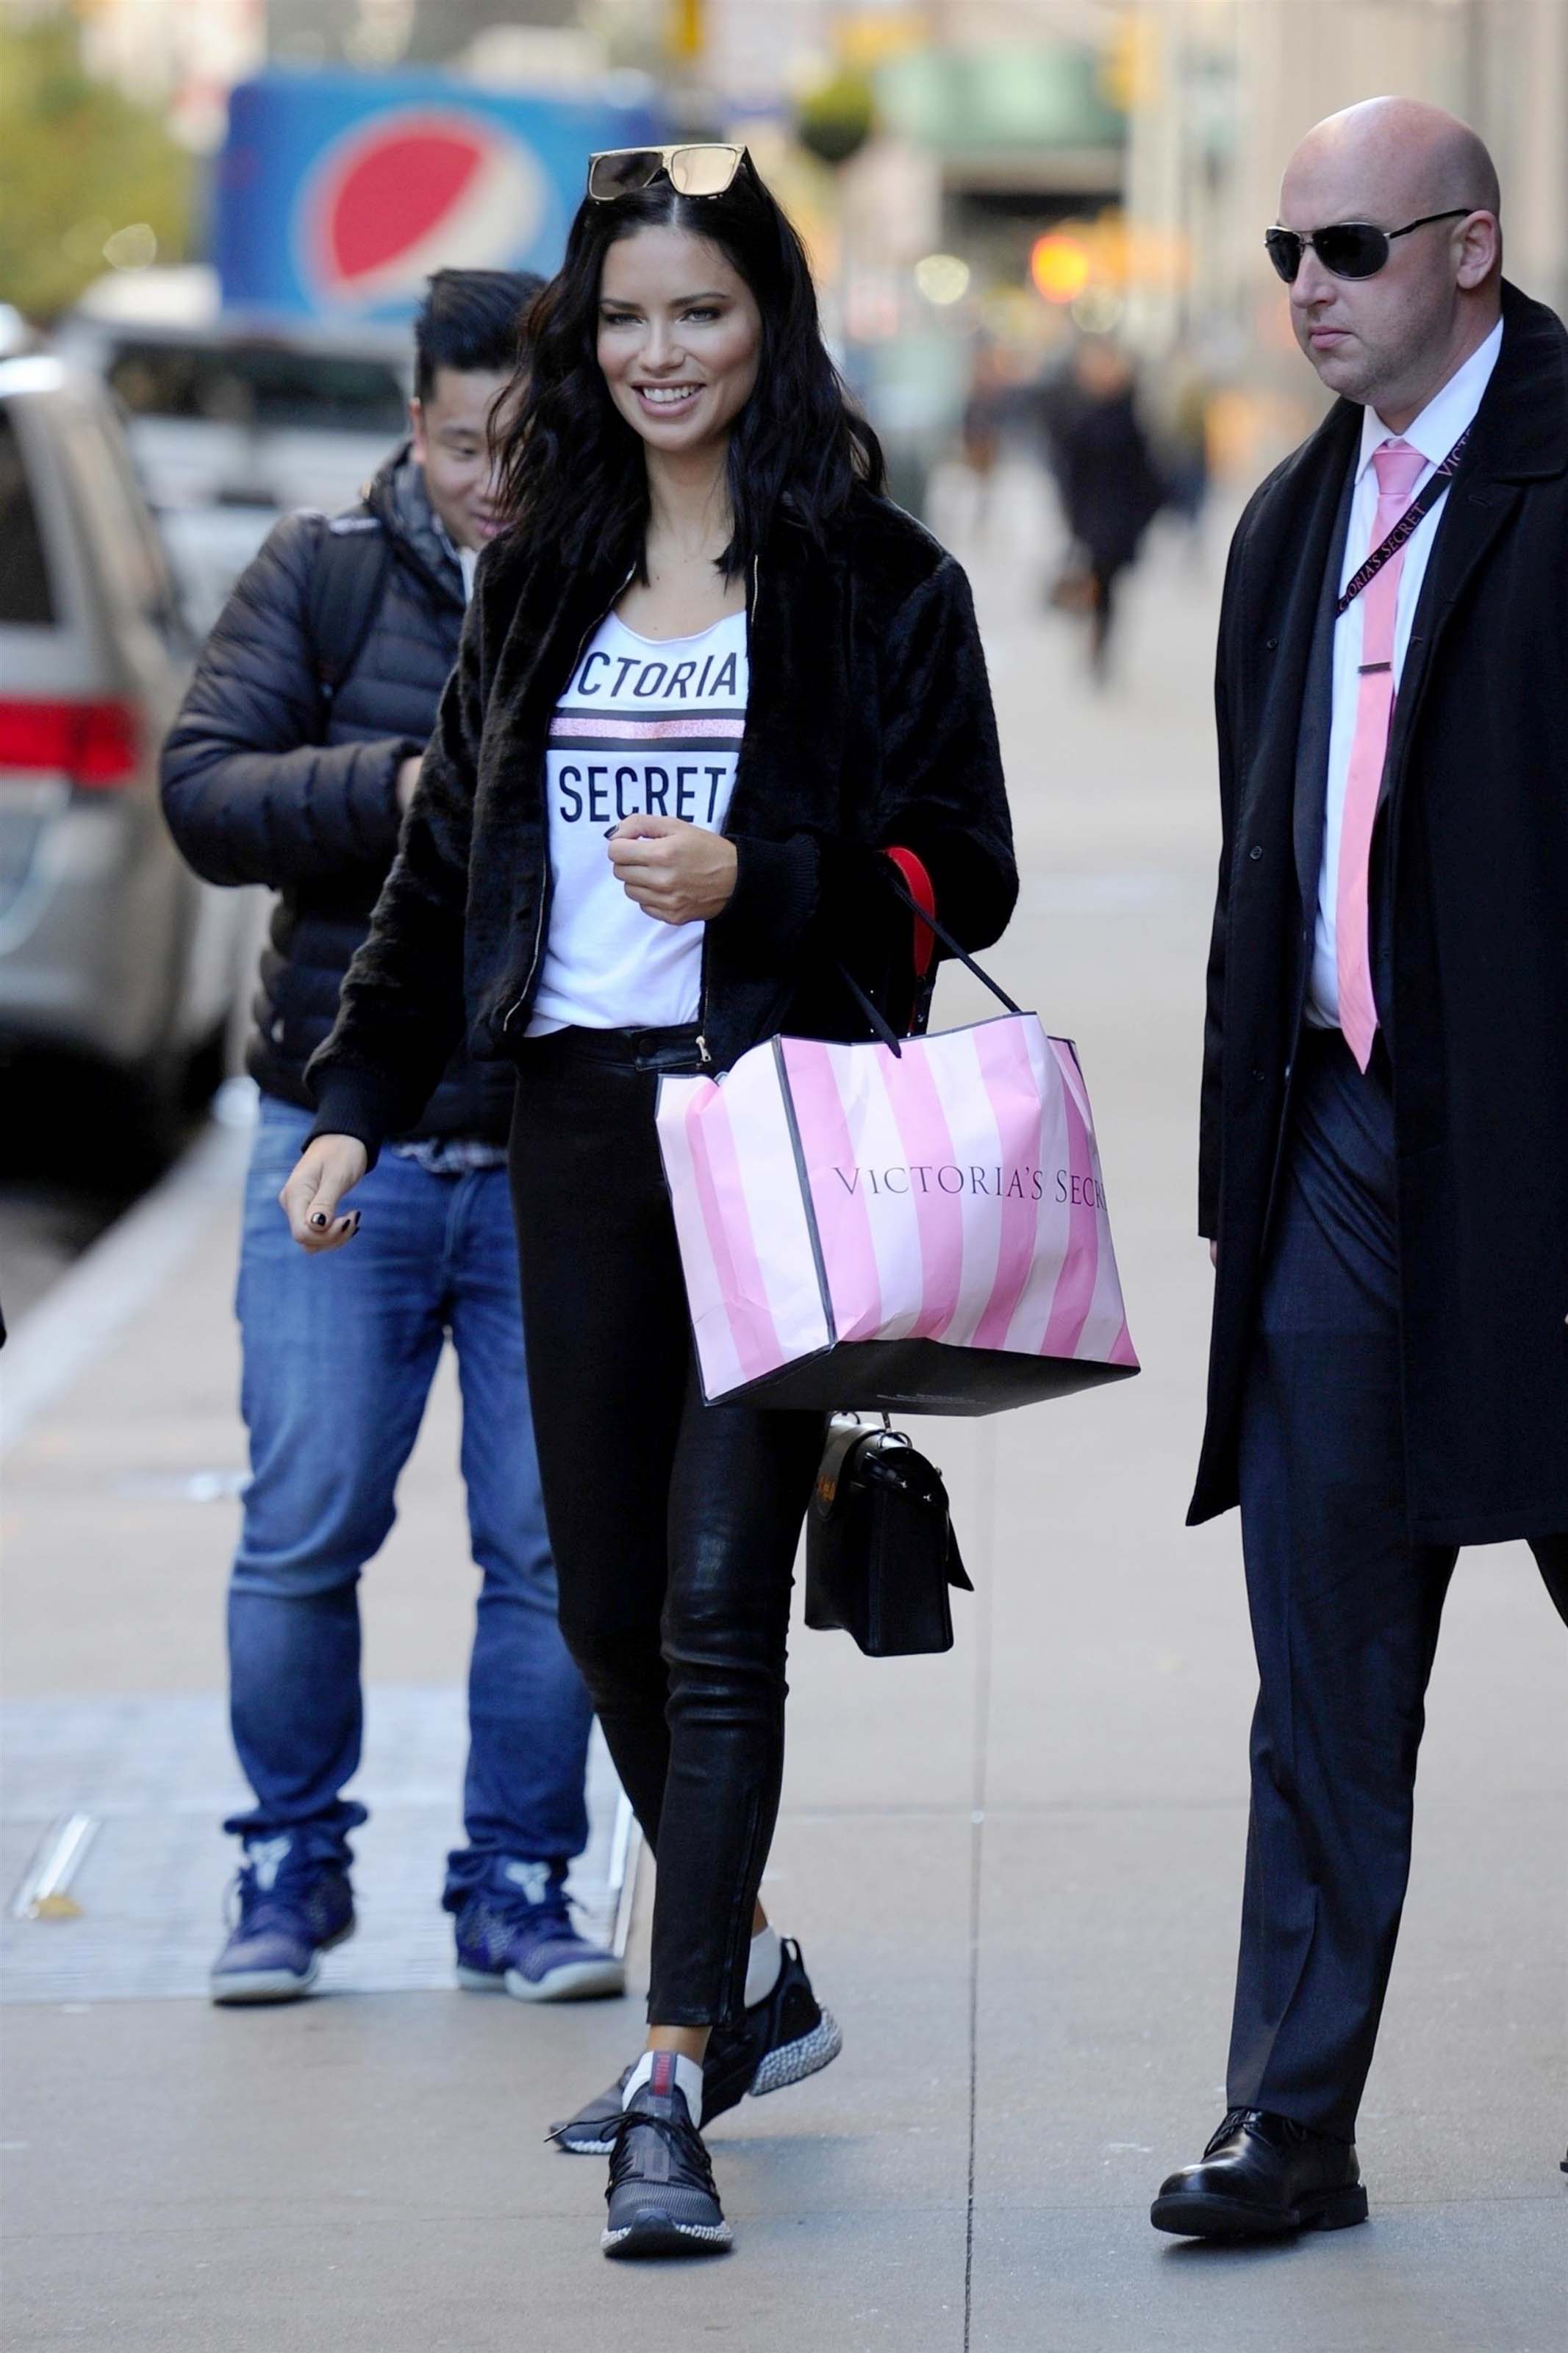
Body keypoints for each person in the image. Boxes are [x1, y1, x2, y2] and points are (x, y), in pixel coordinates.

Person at [283, 145, 1017, 2259]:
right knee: (601, 1602)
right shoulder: (539, 579)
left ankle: (671, 2064)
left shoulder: (876, 582)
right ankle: (752, 1969)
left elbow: (960, 873)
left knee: (712, 1621)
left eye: (697, 312)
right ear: (578, 349)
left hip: (772, 1133)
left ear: (766, 322)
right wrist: (353, 1096)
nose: (658, 351)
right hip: (581, 1143)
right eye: (621, 319)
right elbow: (442, 881)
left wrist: (758, 884)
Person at [1154, 99, 1568, 2241]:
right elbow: (1268, 864)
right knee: (1319, 1657)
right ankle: (1289, 2118)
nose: (1305, 283)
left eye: (1347, 244)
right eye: (1283, 251)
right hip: (1340, 1147)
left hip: (1556, 1178)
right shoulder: (1287, 524)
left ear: (1470, 248)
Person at [160, 271, 620, 2010]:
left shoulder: (617, 578)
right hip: (334, 1145)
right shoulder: (322, 571)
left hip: (549, 1151)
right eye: (455, 442)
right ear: (408, 421)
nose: (490, 479)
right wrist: (395, 788)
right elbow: (204, 793)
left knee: (548, 1547)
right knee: (304, 1524)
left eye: (520, 443)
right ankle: (288, 1862)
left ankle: (518, 1880)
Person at [1045, 339, 1164, 678]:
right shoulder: (1082, 417)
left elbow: (1147, 474)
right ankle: (1098, 644)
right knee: (1100, 583)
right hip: (1094, 520)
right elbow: (1070, 472)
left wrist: (1142, 517)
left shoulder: (1129, 420)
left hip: (1119, 521)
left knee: (1107, 585)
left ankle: (1101, 644)